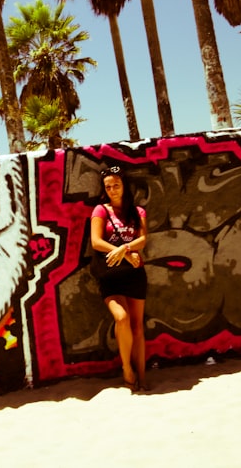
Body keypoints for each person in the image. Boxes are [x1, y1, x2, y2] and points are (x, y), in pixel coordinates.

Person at [89, 165, 148, 391]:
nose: (113, 190)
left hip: (134, 274)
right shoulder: (100, 211)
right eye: (108, 187)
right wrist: (124, 252)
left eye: (116, 185)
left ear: (124, 186)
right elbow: (96, 242)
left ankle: (142, 377)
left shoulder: (137, 212)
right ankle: (127, 368)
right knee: (121, 318)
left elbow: (142, 240)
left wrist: (124, 249)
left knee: (138, 327)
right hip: (110, 276)